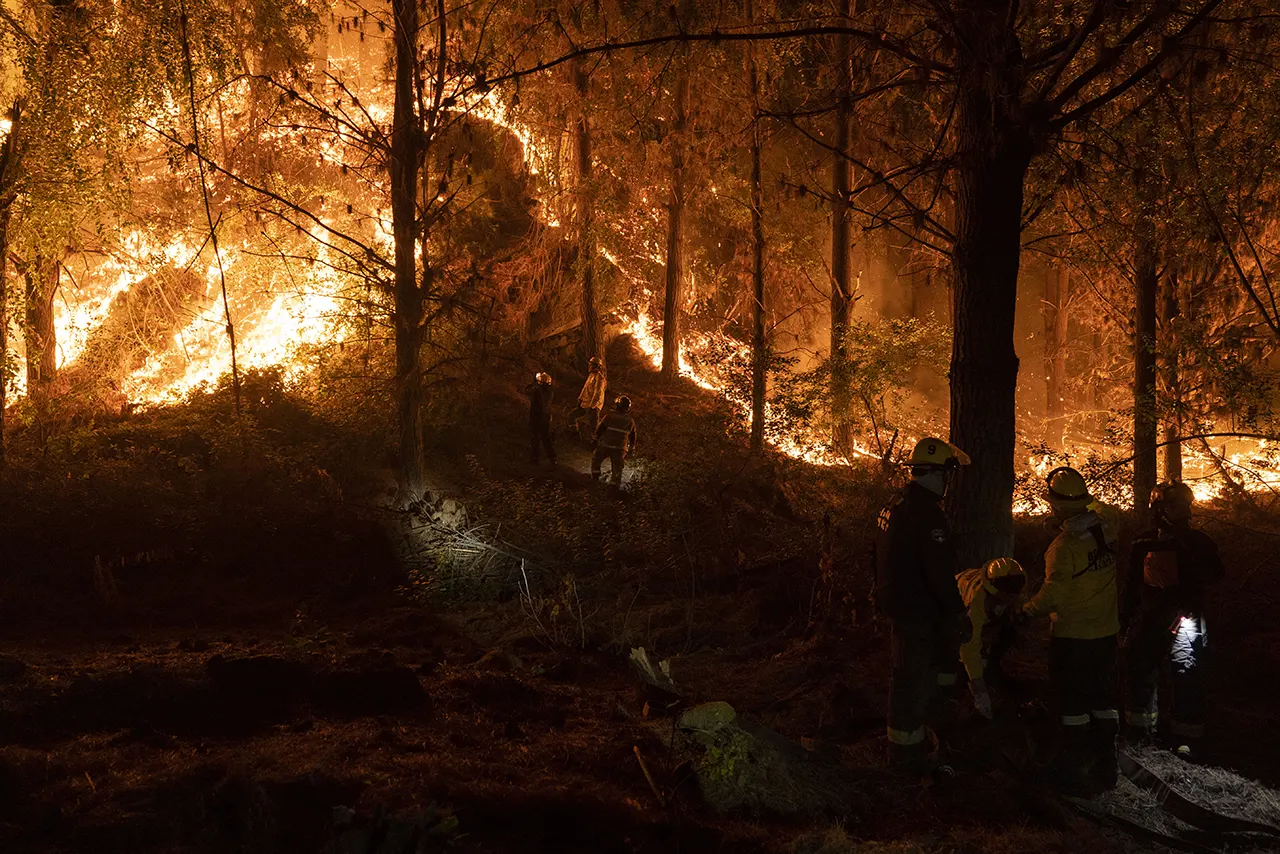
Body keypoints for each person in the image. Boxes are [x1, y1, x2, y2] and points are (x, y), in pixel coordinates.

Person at [1018, 466, 1120, 793]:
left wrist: (1026, 611)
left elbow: (1054, 594)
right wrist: (1079, 510)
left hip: (1073, 637)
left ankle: (1072, 772)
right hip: (1106, 633)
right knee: (1103, 701)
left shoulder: (1062, 547)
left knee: (1072, 706)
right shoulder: (1109, 525)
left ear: (1057, 505)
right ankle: (1106, 766)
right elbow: (1102, 508)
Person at [875, 437, 973, 771]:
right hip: (918, 610)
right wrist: (958, 612)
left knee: (907, 675)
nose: (948, 483)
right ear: (938, 474)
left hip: (900, 605)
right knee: (911, 679)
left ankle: (915, 742)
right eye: (947, 476)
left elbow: (877, 556)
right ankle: (907, 756)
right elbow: (940, 573)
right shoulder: (929, 516)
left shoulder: (895, 503)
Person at [1123, 482, 1223, 760]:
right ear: (1159, 508)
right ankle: (1141, 733)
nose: (1183, 511)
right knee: (1140, 670)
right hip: (1151, 617)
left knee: (1187, 675)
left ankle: (1186, 740)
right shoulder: (1144, 542)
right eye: (1175, 506)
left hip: (1187, 620)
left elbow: (1216, 576)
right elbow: (1132, 584)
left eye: (1185, 506)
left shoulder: (1199, 542)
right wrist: (1125, 617)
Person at [956, 557, 1027, 719]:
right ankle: (960, 676)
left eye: (1015, 585)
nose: (1011, 592)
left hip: (988, 610)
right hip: (954, 607)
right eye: (1006, 587)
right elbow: (969, 647)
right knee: (962, 642)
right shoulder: (976, 602)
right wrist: (979, 692)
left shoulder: (1015, 587)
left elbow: (1017, 606)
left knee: (1009, 630)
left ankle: (990, 665)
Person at [593, 395, 636, 486]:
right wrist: (631, 448)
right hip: (620, 449)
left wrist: (595, 439)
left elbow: (600, 429)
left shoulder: (609, 416)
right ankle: (614, 488)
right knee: (617, 470)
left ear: (617, 405)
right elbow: (633, 436)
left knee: (596, 459)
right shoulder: (630, 421)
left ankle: (595, 479)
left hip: (606, 445)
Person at [568, 357, 607, 441]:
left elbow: (597, 394)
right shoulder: (591, 376)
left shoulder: (600, 378)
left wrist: (592, 406)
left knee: (594, 428)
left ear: (596, 366)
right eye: (589, 364)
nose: (589, 366)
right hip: (585, 404)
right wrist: (580, 399)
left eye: (591, 364)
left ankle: (595, 444)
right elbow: (585, 389)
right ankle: (575, 436)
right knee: (571, 416)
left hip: (593, 407)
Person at [526, 372, 556, 465]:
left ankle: (535, 459)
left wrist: (533, 383)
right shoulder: (550, 391)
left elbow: (528, 390)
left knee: (535, 437)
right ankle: (552, 458)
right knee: (546, 437)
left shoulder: (537, 390)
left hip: (537, 416)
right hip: (546, 416)